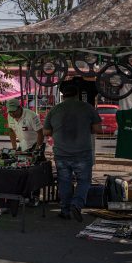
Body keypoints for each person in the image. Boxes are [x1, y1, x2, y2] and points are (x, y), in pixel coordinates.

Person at [44, 83, 101, 222]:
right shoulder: (88, 108)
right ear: (77, 94)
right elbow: (97, 128)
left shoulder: (54, 110)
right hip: (82, 153)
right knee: (84, 181)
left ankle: (65, 210)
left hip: (61, 153)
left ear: (63, 95)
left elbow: (46, 132)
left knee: (64, 182)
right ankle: (77, 204)